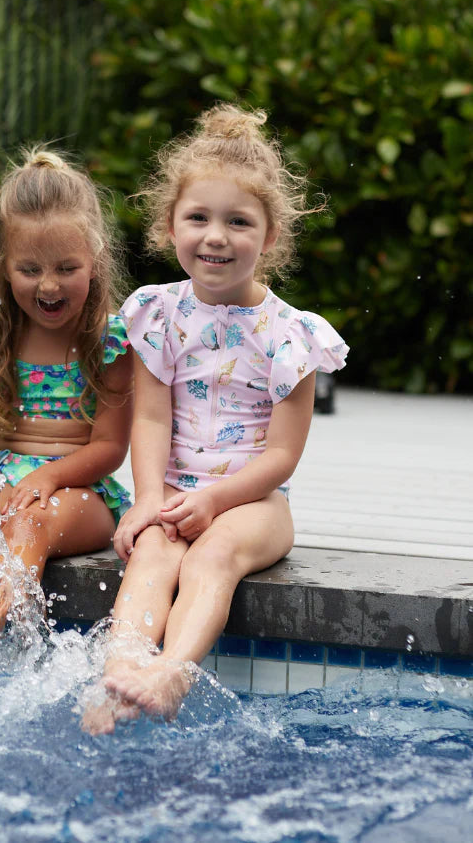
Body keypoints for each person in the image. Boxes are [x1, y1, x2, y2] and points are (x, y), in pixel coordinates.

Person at [84, 104, 348, 731]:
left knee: (210, 559)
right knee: (153, 555)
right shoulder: (159, 312)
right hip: (176, 492)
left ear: (270, 236)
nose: (216, 236)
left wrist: (217, 501)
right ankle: (118, 677)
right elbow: (149, 420)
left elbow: (282, 454)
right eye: (197, 217)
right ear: (169, 227)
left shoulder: (289, 335)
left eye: (238, 221)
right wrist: (149, 498)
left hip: (256, 504)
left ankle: (172, 672)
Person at [0, 149, 133, 654]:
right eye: (30, 269)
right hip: (7, 477)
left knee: (30, 520)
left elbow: (109, 446)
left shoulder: (112, 342)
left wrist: (49, 477)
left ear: (95, 261)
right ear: (4, 265)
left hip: (82, 490)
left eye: (67, 267)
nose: (49, 284)